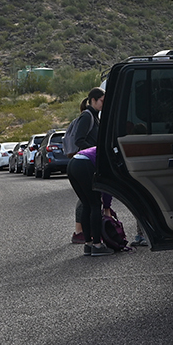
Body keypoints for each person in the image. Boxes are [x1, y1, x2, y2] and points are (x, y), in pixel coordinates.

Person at [65, 88, 108, 254]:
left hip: (79, 164)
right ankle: (97, 245)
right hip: (85, 163)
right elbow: (79, 140)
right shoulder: (87, 116)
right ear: (93, 100)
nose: (104, 104)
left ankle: (88, 244)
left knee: (88, 204)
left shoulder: (94, 117)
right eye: (102, 101)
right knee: (95, 204)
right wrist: (94, 151)